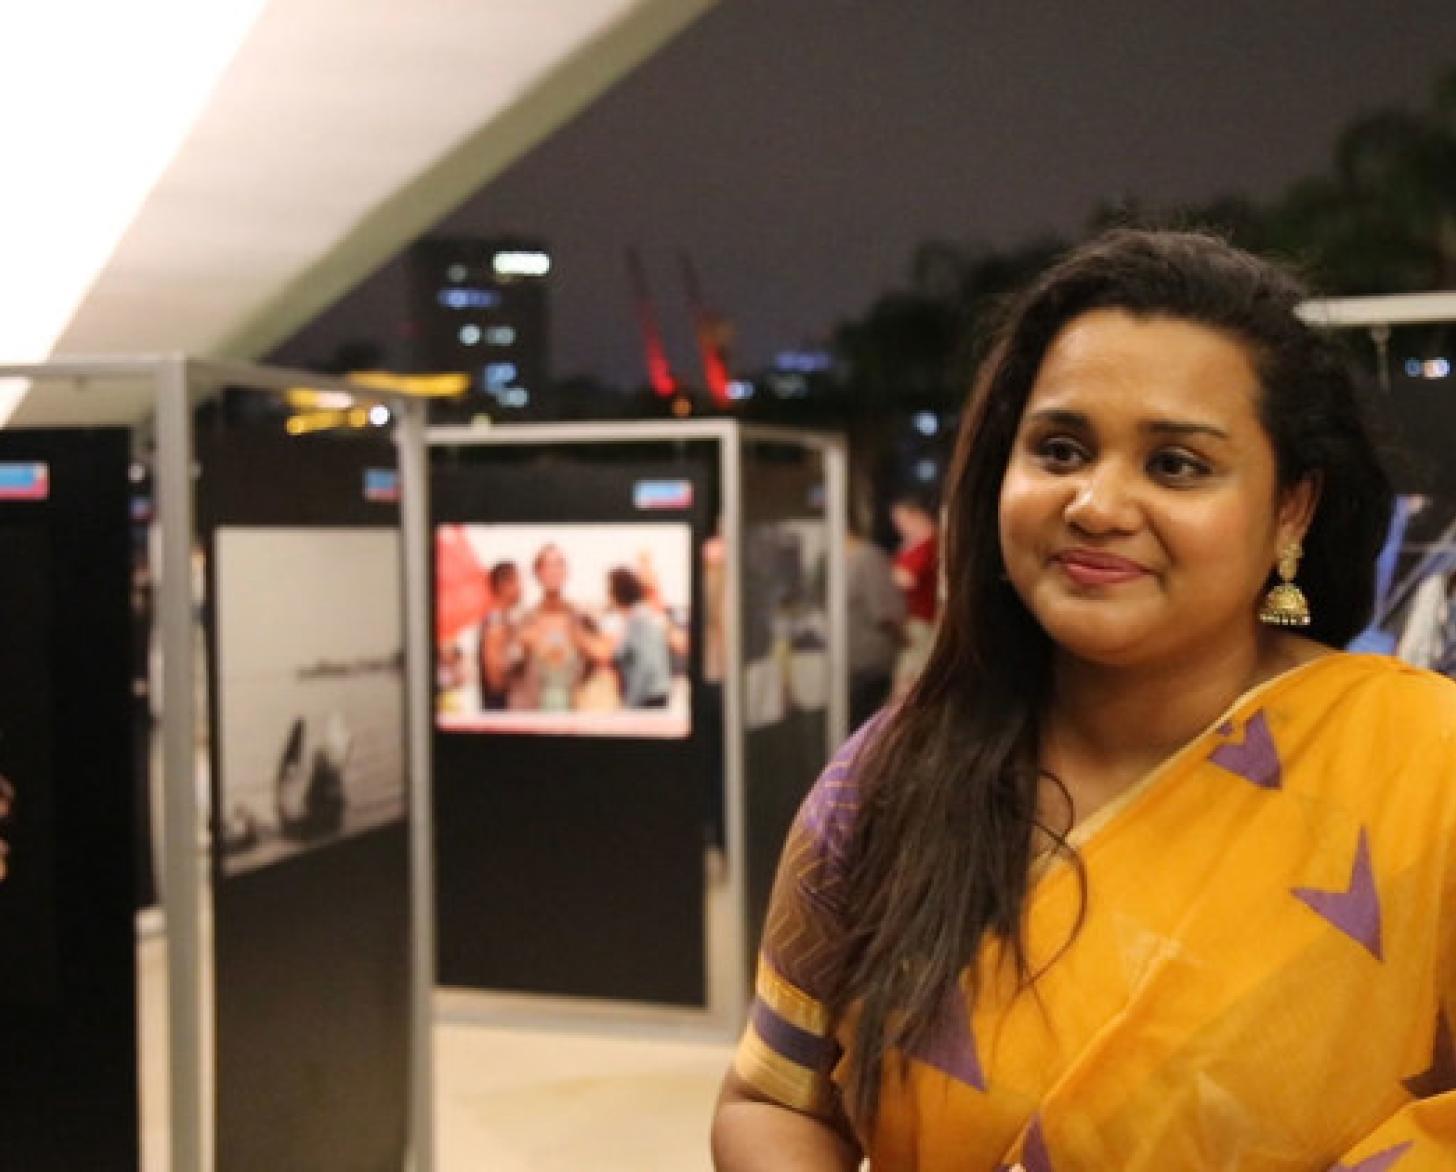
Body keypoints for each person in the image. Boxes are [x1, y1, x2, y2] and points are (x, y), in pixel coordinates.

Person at [712, 229, 1456, 1170]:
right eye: (1060, 449)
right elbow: (774, 1100)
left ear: (1290, 510)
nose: (1098, 504)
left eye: (1177, 465)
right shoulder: (895, 772)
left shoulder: (1425, 765)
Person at [845, 524, 905, 729]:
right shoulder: (840, 563)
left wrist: (903, 639)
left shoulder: (868, 558)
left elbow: (887, 611)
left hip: (869, 663)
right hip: (849, 665)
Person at [888, 488, 940, 698]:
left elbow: (907, 579)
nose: (899, 527)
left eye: (901, 520)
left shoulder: (928, 544)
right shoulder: (913, 545)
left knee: (910, 679)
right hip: (912, 621)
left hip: (924, 621)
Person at [477, 560, 523, 710]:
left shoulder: (505, 621)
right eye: (517, 581)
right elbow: (496, 681)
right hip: (499, 712)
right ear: (504, 585)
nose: (521, 588)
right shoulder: (496, 623)